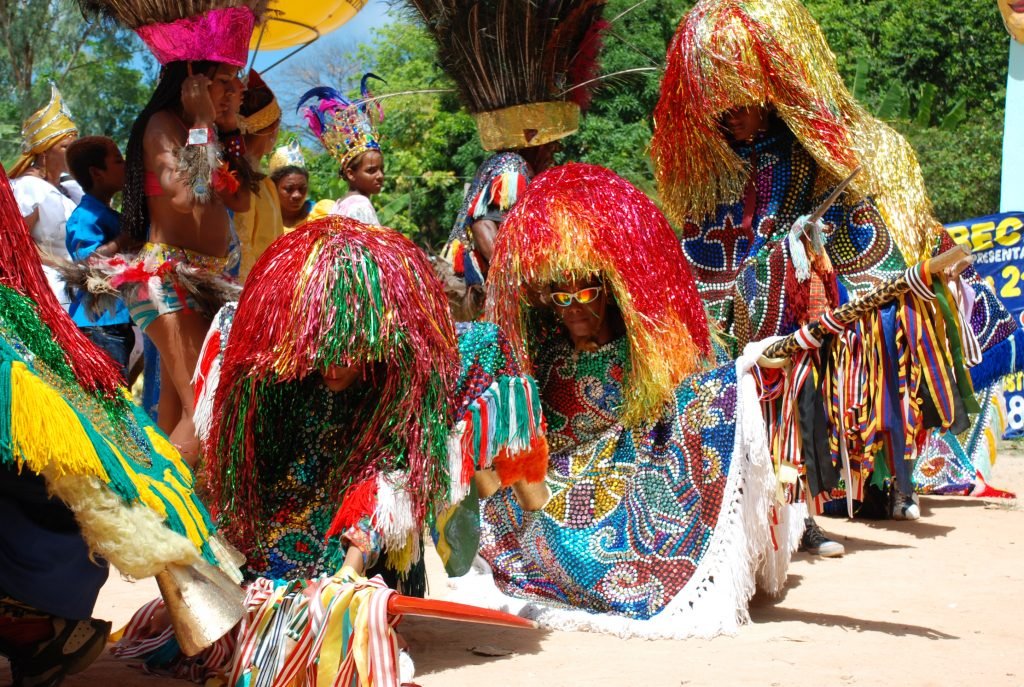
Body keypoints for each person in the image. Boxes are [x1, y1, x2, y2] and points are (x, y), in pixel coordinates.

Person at [113, 215, 548, 685]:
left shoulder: (403, 384)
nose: (333, 369)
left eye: (347, 355)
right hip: (283, 515)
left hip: (358, 530)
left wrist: (348, 576)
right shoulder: (279, 377)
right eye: (320, 354)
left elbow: (388, 482)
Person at [649, 0, 1017, 532]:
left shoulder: (811, 155)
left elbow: (853, 234)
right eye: (720, 107)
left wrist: (805, 253)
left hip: (810, 295)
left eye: (742, 102)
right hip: (736, 313)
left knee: (879, 352)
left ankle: (878, 484)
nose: (732, 116)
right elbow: (699, 251)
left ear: (767, 97)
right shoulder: (709, 175)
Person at [458, 162, 791, 637]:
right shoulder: (546, 354)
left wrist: (744, 369)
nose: (574, 308)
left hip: (633, 482)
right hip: (554, 487)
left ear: (610, 293)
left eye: (586, 293)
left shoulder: (648, 353)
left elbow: (691, 397)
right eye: (561, 297)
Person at [0, 163, 241, 687]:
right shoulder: (170, 139)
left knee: (172, 428)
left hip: (176, 287)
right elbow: (191, 198)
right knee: (175, 424)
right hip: (159, 286)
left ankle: (41, 623)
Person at [73, 0, 266, 465]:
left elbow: (239, 198)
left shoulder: (204, 133)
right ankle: (165, 503)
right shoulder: (163, 126)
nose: (236, 90)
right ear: (192, 83)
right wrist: (201, 122)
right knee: (206, 407)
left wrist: (220, 130)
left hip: (196, 284)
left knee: (178, 412)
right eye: (224, 81)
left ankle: (159, 497)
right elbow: (188, 197)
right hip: (167, 284)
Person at [404, 0, 607, 317]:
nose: (553, 151)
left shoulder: (508, 164)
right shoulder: (512, 168)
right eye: (551, 142)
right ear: (534, 137)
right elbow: (484, 226)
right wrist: (524, 285)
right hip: (481, 304)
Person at [63, 136, 136, 380]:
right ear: (97, 173)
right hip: (98, 324)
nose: (126, 166)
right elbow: (87, 263)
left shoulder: (108, 214)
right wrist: (123, 241)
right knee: (109, 396)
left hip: (115, 321)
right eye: (118, 161)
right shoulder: (84, 217)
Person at [8, 85, 79, 311]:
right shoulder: (27, 188)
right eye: (65, 147)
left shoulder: (72, 189)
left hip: (79, 287)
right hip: (48, 293)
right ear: (45, 151)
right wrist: (62, 265)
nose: (74, 152)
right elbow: (17, 245)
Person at [298, 76, 385, 226]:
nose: (380, 176)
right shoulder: (361, 206)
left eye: (381, 169)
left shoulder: (339, 205)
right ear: (350, 174)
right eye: (371, 170)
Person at [233, 70, 284, 281]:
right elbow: (247, 246)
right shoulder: (251, 183)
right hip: (253, 288)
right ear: (273, 130)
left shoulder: (232, 174)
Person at [268, 141, 314, 230]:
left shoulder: (321, 215)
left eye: (302, 189)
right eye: (289, 189)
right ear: (274, 188)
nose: (297, 195)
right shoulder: (264, 221)